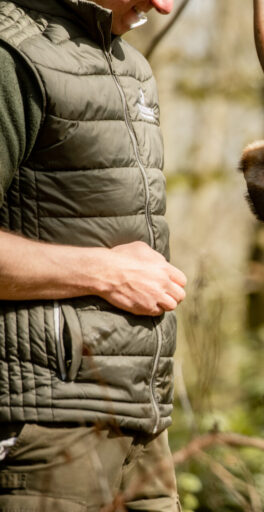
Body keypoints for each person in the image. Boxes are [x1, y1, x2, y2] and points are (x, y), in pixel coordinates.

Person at [0, 0, 186, 510]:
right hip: (44, 429)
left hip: (144, 428)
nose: (164, 5)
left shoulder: (131, 66)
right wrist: (104, 271)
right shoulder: (11, 55)